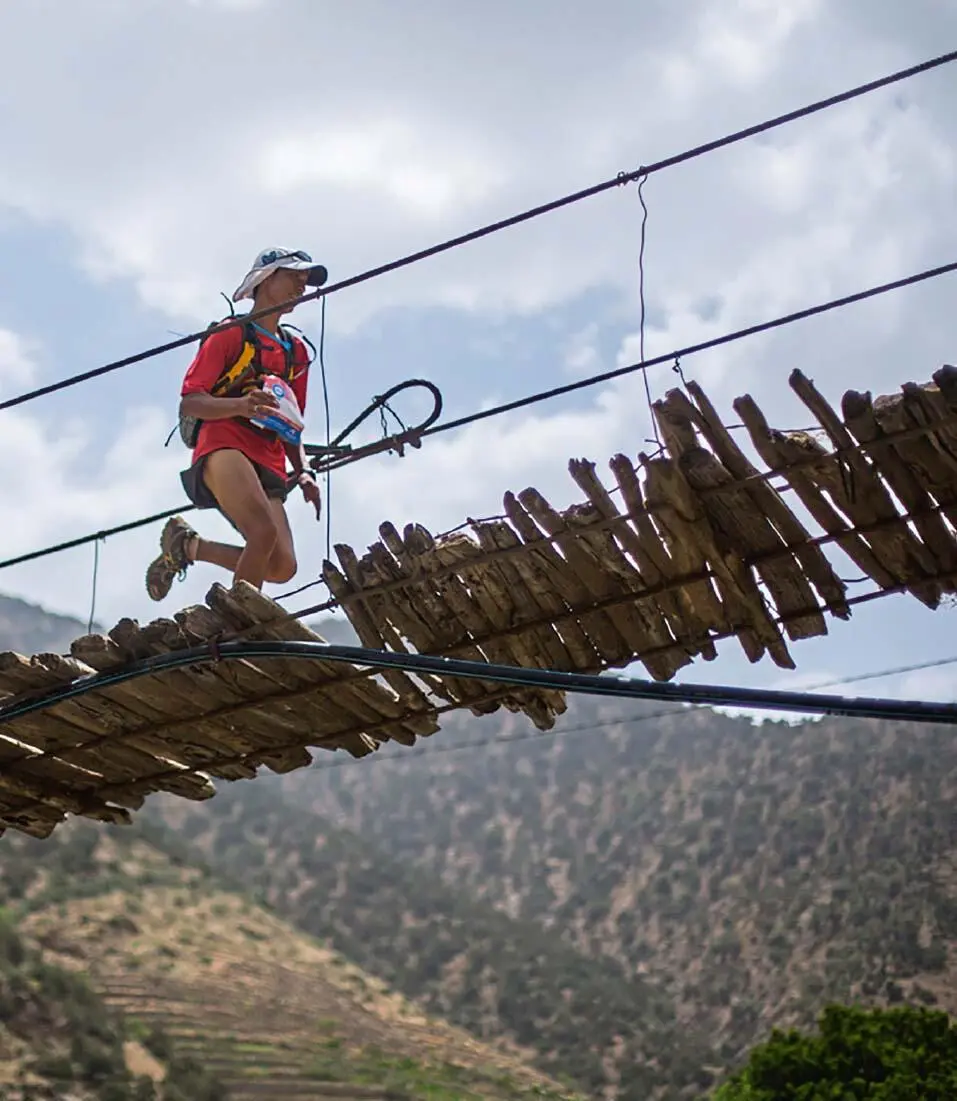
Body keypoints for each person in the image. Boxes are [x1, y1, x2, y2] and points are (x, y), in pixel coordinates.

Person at [145, 247, 327, 602]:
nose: (301, 286)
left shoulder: (297, 353)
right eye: (294, 276)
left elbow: (291, 423)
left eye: (305, 281)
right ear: (266, 279)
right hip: (224, 444)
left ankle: (188, 547)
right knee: (261, 532)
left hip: (268, 458)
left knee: (281, 566)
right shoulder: (231, 334)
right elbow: (191, 401)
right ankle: (236, 621)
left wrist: (303, 470)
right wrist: (241, 405)